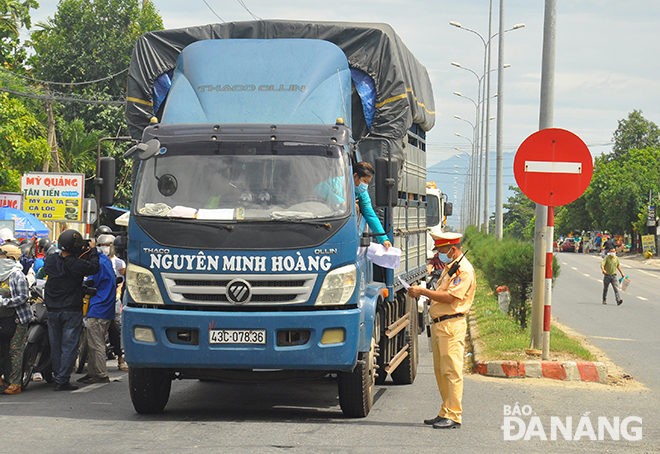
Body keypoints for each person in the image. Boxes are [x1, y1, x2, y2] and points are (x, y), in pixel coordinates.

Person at [407, 232, 475, 429]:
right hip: (440, 324)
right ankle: (445, 410)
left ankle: (454, 415)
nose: (439, 254)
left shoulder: (464, 270)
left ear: (452, 250)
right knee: (440, 371)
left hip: (451, 325)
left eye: (441, 250)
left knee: (451, 371)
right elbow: (441, 293)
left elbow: (450, 297)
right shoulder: (450, 267)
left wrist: (423, 292)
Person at [44, 229, 99, 391]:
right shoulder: (77, 264)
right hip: (71, 309)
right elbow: (94, 268)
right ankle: (62, 380)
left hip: (53, 309)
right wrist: (93, 249)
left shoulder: (50, 261)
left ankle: (57, 375)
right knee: (69, 346)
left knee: (56, 345)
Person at [77, 235, 117, 384]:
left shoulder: (98, 264)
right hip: (105, 307)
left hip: (99, 307)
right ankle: (93, 372)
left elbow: (90, 282)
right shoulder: (105, 260)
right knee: (93, 341)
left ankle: (100, 373)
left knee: (96, 343)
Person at [0, 244, 31, 394]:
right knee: (3, 350)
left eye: (2, 257)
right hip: (2, 319)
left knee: (14, 350)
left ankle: (15, 383)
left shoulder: (17, 275)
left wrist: (4, 302)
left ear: (10, 259)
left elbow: (23, 297)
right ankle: (4, 380)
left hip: (17, 318)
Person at [353, 162, 391, 250]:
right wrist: (346, 204)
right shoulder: (337, 183)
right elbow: (321, 191)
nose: (366, 185)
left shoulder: (362, 193)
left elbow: (370, 215)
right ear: (355, 177)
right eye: (364, 181)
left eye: (368, 182)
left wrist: (383, 239)